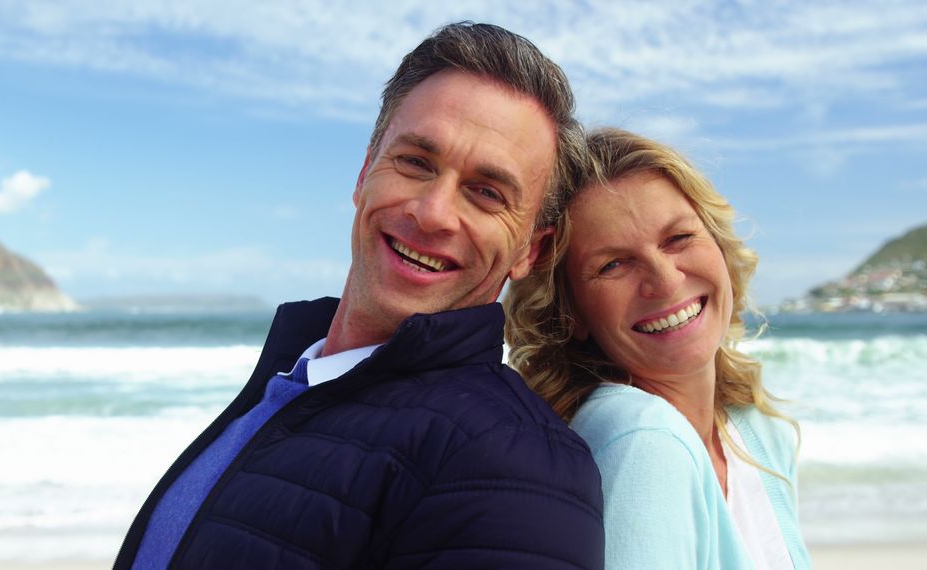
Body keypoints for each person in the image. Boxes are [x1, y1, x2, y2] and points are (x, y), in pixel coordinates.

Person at [114, 22, 603, 569]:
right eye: (417, 162)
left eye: (487, 193)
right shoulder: (295, 378)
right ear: (366, 170)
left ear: (529, 252)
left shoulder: (515, 463)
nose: (432, 212)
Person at [505, 127, 810, 569]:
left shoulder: (756, 430)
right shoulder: (643, 439)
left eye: (678, 239)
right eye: (613, 264)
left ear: (720, 247)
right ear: (571, 314)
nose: (665, 280)